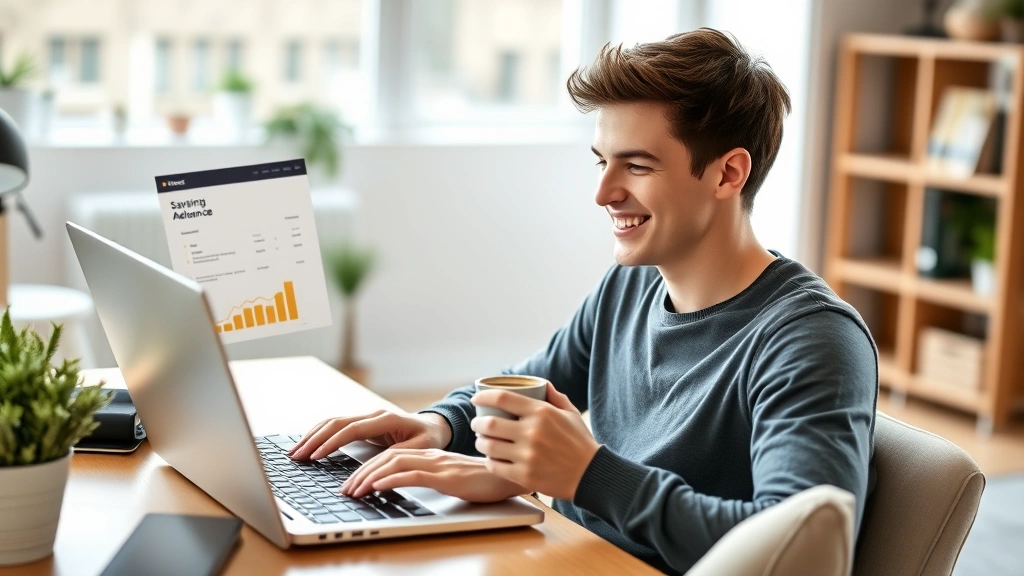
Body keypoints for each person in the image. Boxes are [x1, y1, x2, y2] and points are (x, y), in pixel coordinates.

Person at [290, 28, 877, 574]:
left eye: (637, 166)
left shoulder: (812, 340)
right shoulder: (631, 284)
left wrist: (590, 475)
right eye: (602, 162)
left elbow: (799, 549)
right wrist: (439, 424)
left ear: (728, 174)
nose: (602, 193)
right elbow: (529, 384)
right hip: (561, 553)